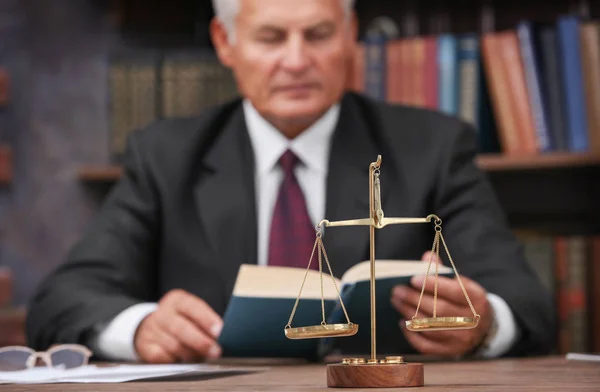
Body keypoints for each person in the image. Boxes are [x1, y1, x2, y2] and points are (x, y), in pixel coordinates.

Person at [26, 0, 555, 363]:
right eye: (271, 38)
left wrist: (483, 325)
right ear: (225, 42)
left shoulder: (433, 149)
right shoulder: (165, 156)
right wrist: (141, 328)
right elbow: (63, 299)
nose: (297, 60)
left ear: (350, 36)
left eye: (319, 35)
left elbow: (525, 303)